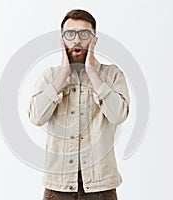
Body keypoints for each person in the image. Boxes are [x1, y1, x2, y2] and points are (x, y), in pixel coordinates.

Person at [27, 9, 130, 200]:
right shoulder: (50, 76)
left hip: (101, 188)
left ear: (94, 39)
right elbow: (36, 117)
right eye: (70, 34)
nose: (77, 41)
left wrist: (93, 73)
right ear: (62, 40)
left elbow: (118, 115)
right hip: (58, 188)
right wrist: (63, 75)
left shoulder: (113, 75)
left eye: (84, 34)